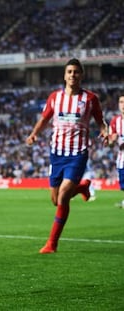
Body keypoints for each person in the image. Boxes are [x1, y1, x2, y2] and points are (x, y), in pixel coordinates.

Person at [26, 58, 108, 254]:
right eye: (69, 72)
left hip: (77, 153)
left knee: (63, 195)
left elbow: (100, 121)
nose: (73, 75)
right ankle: (83, 187)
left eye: (76, 72)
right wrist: (34, 133)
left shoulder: (90, 99)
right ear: (65, 75)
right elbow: (44, 118)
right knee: (55, 200)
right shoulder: (55, 97)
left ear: (81, 75)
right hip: (56, 154)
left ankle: (51, 244)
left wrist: (104, 131)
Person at [108, 94, 124, 208]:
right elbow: (110, 143)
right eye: (121, 102)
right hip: (121, 158)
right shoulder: (115, 121)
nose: (123, 105)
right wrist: (111, 141)